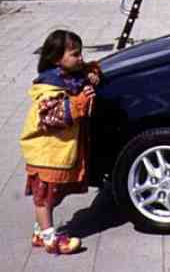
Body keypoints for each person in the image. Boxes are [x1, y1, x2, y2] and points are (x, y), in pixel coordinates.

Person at [19, 30, 101, 255]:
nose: (80, 58)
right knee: (45, 198)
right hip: (46, 153)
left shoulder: (72, 74)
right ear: (56, 59)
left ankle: (40, 231)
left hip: (59, 152)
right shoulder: (49, 87)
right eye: (75, 54)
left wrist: (92, 73)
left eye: (80, 53)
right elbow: (54, 116)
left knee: (53, 195)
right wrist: (80, 101)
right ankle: (51, 240)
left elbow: (89, 69)